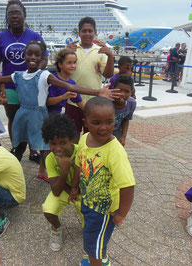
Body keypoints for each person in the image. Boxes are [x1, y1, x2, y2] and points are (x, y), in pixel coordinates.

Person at [0, 41, 117, 181]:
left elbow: (72, 88)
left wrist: (97, 93)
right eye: (29, 53)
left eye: (37, 54)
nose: (33, 57)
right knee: (19, 146)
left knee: (45, 146)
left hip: (39, 115)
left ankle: (47, 171)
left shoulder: (44, 76)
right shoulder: (18, 75)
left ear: (42, 58)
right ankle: (12, 173)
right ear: (24, 55)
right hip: (23, 115)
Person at [68, 97, 135, 266]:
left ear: (115, 121)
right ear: (86, 122)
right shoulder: (84, 139)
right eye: (96, 122)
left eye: (109, 122)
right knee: (96, 239)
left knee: (92, 244)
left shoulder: (115, 152)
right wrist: (74, 187)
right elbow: (79, 164)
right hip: (88, 201)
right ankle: (100, 257)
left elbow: (127, 185)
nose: (104, 128)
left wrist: (121, 214)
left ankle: (97, 259)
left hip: (105, 211)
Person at [0, 0, 48, 163]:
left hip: (32, 85)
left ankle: (33, 150)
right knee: (14, 118)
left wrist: (36, 73)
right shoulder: (0, 38)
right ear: (7, 16)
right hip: (10, 85)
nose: (14, 16)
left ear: (24, 15)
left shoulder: (34, 36)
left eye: (17, 13)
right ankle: (16, 146)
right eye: (11, 13)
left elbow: (43, 58)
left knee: (33, 118)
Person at [66, 17, 114, 141]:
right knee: (72, 135)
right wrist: (66, 52)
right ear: (79, 33)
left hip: (93, 102)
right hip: (72, 100)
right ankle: (74, 159)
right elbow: (62, 71)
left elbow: (108, 75)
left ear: (95, 33)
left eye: (90, 31)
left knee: (91, 135)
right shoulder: (72, 49)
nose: (87, 34)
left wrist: (110, 56)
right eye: (84, 31)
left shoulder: (101, 51)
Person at [41, 113, 83, 252]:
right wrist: (64, 171)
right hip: (64, 190)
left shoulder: (82, 152)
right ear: (47, 142)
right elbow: (56, 191)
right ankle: (56, 229)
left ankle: (88, 226)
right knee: (48, 210)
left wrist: (76, 190)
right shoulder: (50, 159)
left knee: (90, 222)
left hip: (83, 192)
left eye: (63, 143)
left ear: (71, 139)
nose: (58, 148)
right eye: (53, 143)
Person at [47, 49, 84, 114]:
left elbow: (80, 103)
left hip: (60, 117)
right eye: (69, 63)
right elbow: (47, 102)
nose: (73, 66)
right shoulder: (52, 80)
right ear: (60, 65)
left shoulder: (72, 83)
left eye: (74, 62)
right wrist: (63, 97)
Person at [112, 75, 136, 147]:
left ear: (131, 93)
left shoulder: (131, 103)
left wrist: (123, 137)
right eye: (119, 90)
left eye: (127, 91)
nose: (122, 94)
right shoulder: (106, 102)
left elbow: (126, 119)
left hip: (117, 132)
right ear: (113, 89)